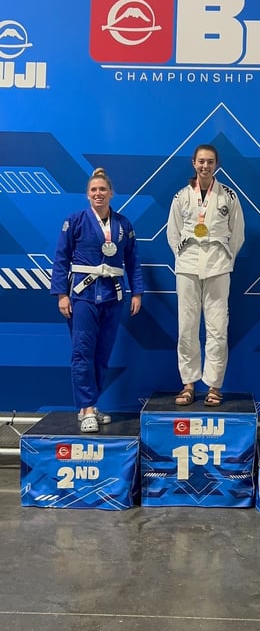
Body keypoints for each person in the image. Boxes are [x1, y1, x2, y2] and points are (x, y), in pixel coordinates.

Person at [50, 167, 144, 433]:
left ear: (111, 193)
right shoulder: (75, 221)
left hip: (113, 296)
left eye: (103, 189)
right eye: (93, 190)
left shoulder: (123, 224)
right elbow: (61, 259)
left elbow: (133, 261)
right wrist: (61, 294)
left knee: (102, 354)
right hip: (83, 296)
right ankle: (87, 408)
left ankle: (89, 405)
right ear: (87, 195)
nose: (98, 193)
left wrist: (137, 292)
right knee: (83, 352)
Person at [167, 144, 245, 407]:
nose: (205, 166)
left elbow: (238, 234)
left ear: (216, 165)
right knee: (186, 327)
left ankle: (214, 386)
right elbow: (173, 233)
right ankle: (188, 384)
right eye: (201, 161)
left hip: (218, 265)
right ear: (193, 163)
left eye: (210, 161)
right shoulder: (181, 197)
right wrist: (182, 258)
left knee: (218, 328)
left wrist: (226, 259)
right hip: (187, 265)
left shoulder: (228, 196)